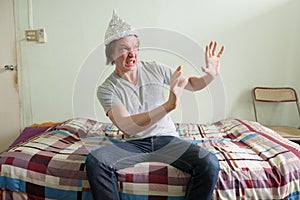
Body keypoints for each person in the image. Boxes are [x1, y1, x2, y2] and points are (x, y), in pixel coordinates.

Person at [86, 10, 225, 200]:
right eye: (123, 49)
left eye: (134, 47)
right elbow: (127, 126)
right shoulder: (107, 89)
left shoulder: (155, 68)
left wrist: (210, 76)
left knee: (209, 163)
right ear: (111, 55)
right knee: (95, 161)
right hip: (134, 144)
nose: (131, 53)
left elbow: (191, 84)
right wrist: (168, 106)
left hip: (166, 140)